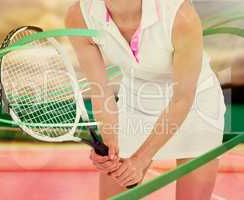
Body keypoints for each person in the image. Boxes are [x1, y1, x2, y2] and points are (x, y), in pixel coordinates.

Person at [65, 0, 226, 199]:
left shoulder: (180, 15)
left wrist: (141, 158)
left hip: (195, 107)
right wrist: (110, 144)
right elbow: (101, 92)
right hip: (136, 101)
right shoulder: (79, 16)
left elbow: (182, 99)